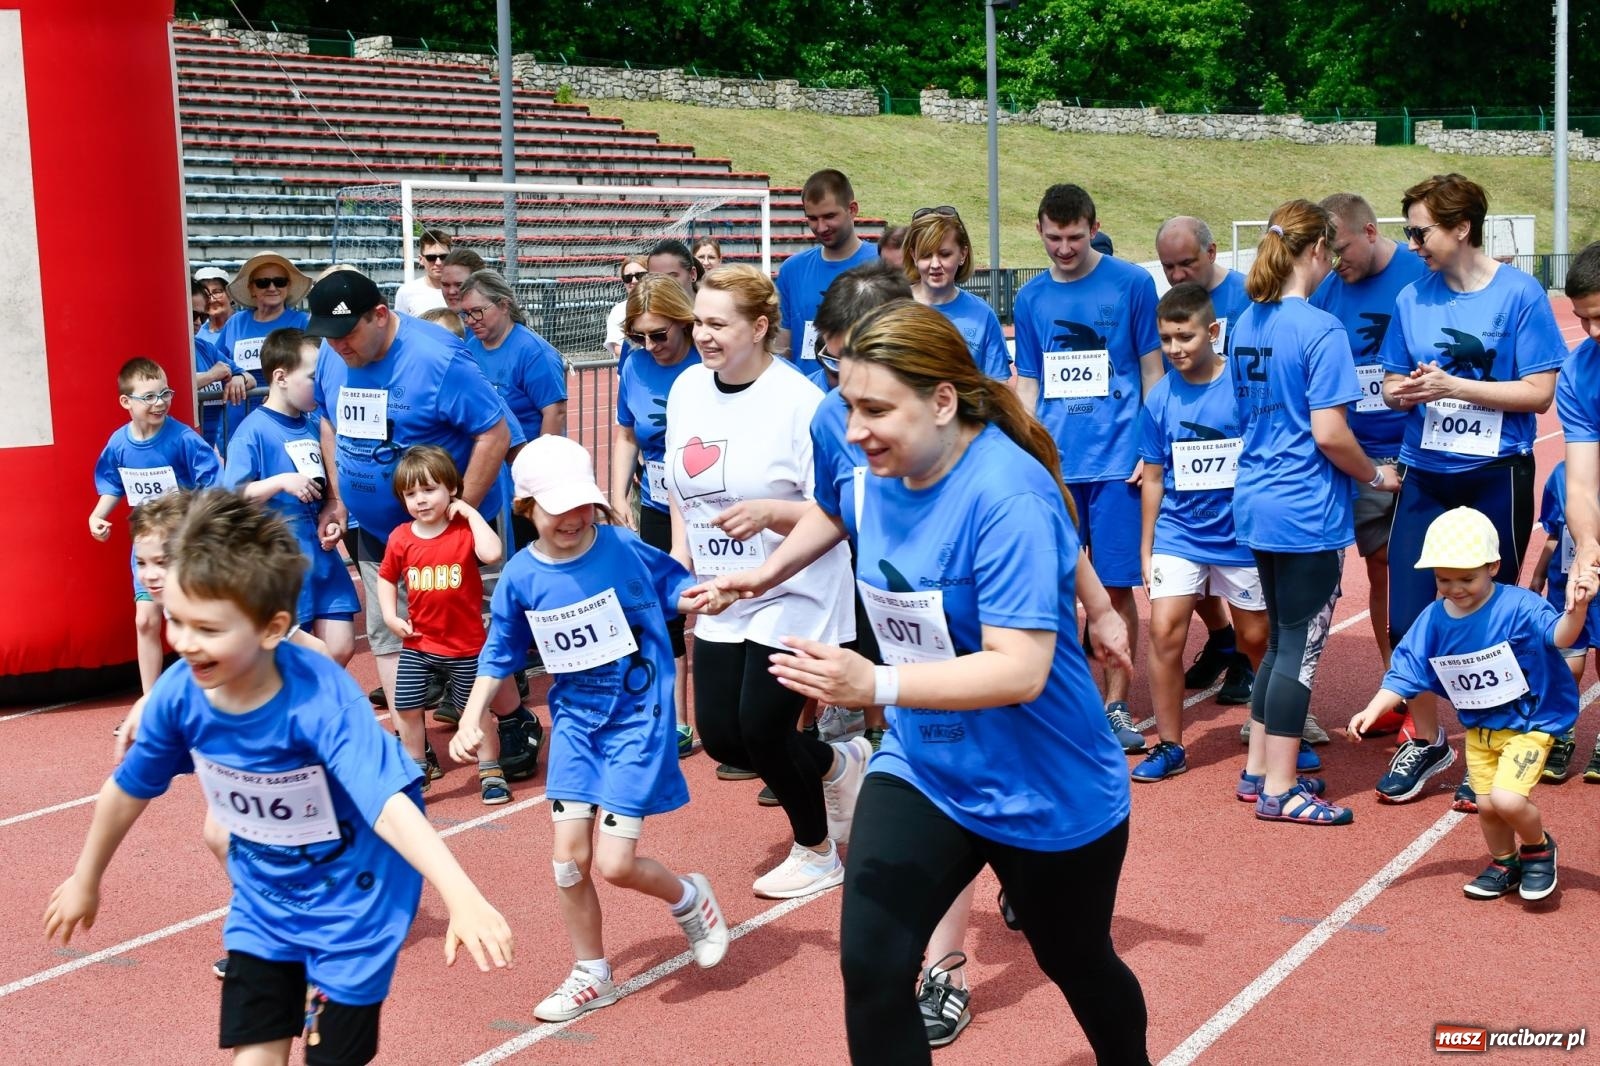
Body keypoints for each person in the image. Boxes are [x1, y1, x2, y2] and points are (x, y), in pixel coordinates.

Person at [707, 300, 1150, 1065]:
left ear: (943, 401)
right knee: (872, 967)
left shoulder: (1005, 494)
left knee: (1075, 960)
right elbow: (834, 506)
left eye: (877, 408)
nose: (853, 429)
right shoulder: (875, 472)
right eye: (848, 404)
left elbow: (1021, 669)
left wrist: (874, 683)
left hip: (1043, 778)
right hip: (925, 763)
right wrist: (762, 574)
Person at [46, 490, 514, 1066]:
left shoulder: (323, 702)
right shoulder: (179, 693)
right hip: (265, 903)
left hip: (354, 907)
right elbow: (125, 791)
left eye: (209, 629)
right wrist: (85, 877)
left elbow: (390, 806)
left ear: (272, 629)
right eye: (178, 622)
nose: (187, 643)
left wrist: (461, 896)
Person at [450, 436, 730, 1022]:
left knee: (616, 865)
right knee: (568, 861)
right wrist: (474, 715)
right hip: (577, 725)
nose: (574, 518)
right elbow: (499, 652)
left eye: (583, 504)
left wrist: (699, 597)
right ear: (527, 506)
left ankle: (689, 899)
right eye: (558, 507)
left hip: (637, 717)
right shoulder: (522, 576)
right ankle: (592, 973)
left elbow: (672, 586)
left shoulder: (624, 547)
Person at [664, 264, 863, 899]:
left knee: (765, 726)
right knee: (725, 735)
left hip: (796, 583)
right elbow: (680, 485)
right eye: (699, 321)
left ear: (760, 327)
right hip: (725, 587)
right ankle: (839, 763)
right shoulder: (687, 389)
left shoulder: (801, 403)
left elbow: (835, 507)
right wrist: (681, 552)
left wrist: (770, 515)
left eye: (718, 323)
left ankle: (816, 851)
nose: (703, 335)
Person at [306, 268, 541, 801]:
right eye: (329, 337)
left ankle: (511, 721)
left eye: (347, 335)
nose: (338, 346)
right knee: (392, 632)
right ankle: (414, 751)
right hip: (377, 528)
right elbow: (328, 421)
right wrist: (339, 498)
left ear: (380, 316)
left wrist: (458, 517)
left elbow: (495, 431)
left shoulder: (438, 358)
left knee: (468, 637)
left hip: (446, 528)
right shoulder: (332, 354)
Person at [1376, 174, 1566, 811]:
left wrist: (1454, 388)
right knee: (1409, 618)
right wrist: (1398, 392)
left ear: (1460, 229)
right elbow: (1393, 380)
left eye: (1420, 231)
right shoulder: (1412, 297)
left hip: (1495, 473)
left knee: (1493, 622)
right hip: (1426, 471)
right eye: (1407, 231)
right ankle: (1430, 741)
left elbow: (1539, 393)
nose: (1413, 243)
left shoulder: (1520, 295)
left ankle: (1496, 738)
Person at [1231, 200, 1399, 826]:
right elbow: (1331, 433)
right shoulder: (1321, 329)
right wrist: (1378, 473)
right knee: (1300, 649)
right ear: (1318, 253)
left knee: (1279, 640)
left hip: (1257, 499)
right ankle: (1279, 786)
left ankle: (1257, 771)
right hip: (1304, 507)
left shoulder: (1247, 320)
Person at [1349, 507, 1586, 901]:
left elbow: (1559, 637)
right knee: (1488, 806)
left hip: (1528, 726)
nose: (1455, 588)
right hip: (1480, 731)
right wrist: (1373, 708)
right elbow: (1405, 669)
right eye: (1443, 579)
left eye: (1466, 578)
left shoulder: (1521, 606)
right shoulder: (1434, 619)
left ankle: (1538, 848)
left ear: (1493, 567)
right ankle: (1504, 861)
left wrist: (1575, 612)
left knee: (1509, 799)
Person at [1013, 183, 1162, 754]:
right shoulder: (1031, 298)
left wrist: (1151, 451)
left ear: (1093, 227)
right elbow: (1028, 381)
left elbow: (1153, 370)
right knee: (1051, 585)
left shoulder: (1132, 284)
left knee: (1116, 586)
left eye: (1075, 237)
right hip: (1056, 467)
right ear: (1039, 231)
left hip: (1119, 463)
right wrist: (1023, 451)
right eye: (1054, 238)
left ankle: (1117, 704)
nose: (1064, 248)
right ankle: (1063, 699)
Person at [1310, 193, 1429, 742]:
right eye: (1327, 252)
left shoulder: (1415, 274)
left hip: (1412, 449)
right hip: (1354, 459)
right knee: (1370, 570)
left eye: (1342, 248)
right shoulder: (1329, 290)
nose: (1336, 262)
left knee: (1404, 571)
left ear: (1371, 231)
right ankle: (1394, 684)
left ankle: (1408, 693)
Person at [1133, 282, 1265, 781]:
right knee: (1164, 632)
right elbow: (1153, 476)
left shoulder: (1243, 387)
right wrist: (1147, 548)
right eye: (1166, 340)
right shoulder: (1161, 397)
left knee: (1257, 638)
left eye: (1184, 337)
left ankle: (1273, 731)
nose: (1174, 349)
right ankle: (1170, 745)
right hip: (1180, 534)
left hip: (1239, 537)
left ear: (1212, 332)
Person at [1155, 216, 1258, 706]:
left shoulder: (1251, 295)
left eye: (1186, 263)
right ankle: (1222, 640)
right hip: (1184, 450)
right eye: (1168, 266)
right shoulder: (1171, 309)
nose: (1177, 275)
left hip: (1240, 451)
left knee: (1240, 583)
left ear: (1213, 252)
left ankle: (1243, 657)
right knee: (1187, 568)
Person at [223, 327, 358, 665]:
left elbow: (328, 488)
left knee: (341, 647)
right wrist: (280, 481)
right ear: (280, 377)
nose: (321, 384)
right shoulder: (252, 431)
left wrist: (332, 511)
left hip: (321, 554)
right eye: (313, 376)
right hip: (281, 559)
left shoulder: (314, 424)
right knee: (297, 656)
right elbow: (231, 499)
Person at [89, 357, 222, 695]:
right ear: (126, 402)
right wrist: (97, 516)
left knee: (188, 621)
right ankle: (151, 701)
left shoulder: (183, 439)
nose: (160, 402)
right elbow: (112, 483)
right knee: (145, 620)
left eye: (165, 393)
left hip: (183, 548)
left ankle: (210, 691)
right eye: (148, 396)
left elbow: (212, 484)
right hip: (147, 551)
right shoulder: (119, 443)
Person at [611, 273, 702, 758]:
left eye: (659, 335)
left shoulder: (707, 361)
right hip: (657, 504)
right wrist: (617, 494)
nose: (650, 345)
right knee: (664, 612)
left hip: (714, 506)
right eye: (638, 337)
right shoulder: (635, 367)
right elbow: (627, 434)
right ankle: (677, 721)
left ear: (684, 323)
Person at [377, 446, 503, 796]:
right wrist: (390, 615)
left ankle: (490, 768)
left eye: (429, 489)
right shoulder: (401, 537)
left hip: (466, 647)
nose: (420, 499)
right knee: (405, 706)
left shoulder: (463, 531)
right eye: (411, 493)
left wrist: (470, 514)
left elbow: (492, 554)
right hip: (420, 643)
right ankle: (416, 766)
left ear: (452, 489)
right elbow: (387, 577)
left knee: (474, 713)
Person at [1550, 241, 1600, 784]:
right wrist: (1588, 545)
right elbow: (1583, 481)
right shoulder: (1581, 371)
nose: (1592, 332)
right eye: (1582, 319)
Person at [1527, 460, 1600, 782]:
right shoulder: (1561, 473)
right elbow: (1555, 534)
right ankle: (1561, 734)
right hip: (1568, 583)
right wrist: (1539, 574)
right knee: (1566, 663)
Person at [775, 169, 879, 386]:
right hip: (805, 396)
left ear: (852, 210)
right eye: (812, 218)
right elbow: (784, 342)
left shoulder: (883, 264)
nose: (821, 227)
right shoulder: (792, 269)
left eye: (829, 216)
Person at [457, 269, 568, 445]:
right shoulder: (469, 347)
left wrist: (538, 466)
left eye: (477, 311)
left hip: (521, 462)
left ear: (503, 306)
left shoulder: (534, 353)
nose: (470, 320)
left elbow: (555, 413)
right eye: (466, 313)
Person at [903, 206, 1011, 381]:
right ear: (913, 256)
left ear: (963, 254)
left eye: (945, 254)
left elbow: (997, 390)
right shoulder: (893, 308)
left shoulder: (982, 315)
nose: (935, 264)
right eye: (926, 255)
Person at [217, 252, 313, 436]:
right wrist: (237, 374)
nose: (272, 287)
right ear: (252, 289)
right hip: (237, 423)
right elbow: (217, 361)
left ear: (288, 286)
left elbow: (314, 372)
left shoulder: (302, 323)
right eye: (263, 282)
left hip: (285, 423)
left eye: (279, 281)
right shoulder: (235, 323)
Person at [394, 228, 452, 317]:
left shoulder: (463, 290)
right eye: (431, 257)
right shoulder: (406, 292)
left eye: (444, 256)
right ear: (421, 260)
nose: (438, 262)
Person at [605, 255, 649, 359]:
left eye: (640, 275)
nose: (633, 281)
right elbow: (618, 349)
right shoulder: (618, 311)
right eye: (628, 278)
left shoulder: (661, 305)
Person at [194, 266, 233, 349]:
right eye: (205, 294)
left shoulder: (242, 325)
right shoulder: (197, 330)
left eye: (217, 292)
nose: (212, 300)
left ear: (230, 294)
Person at [440, 247, 487, 313]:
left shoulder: (497, 321)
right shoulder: (436, 321)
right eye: (445, 285)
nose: (451, 292)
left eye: (459, 285)